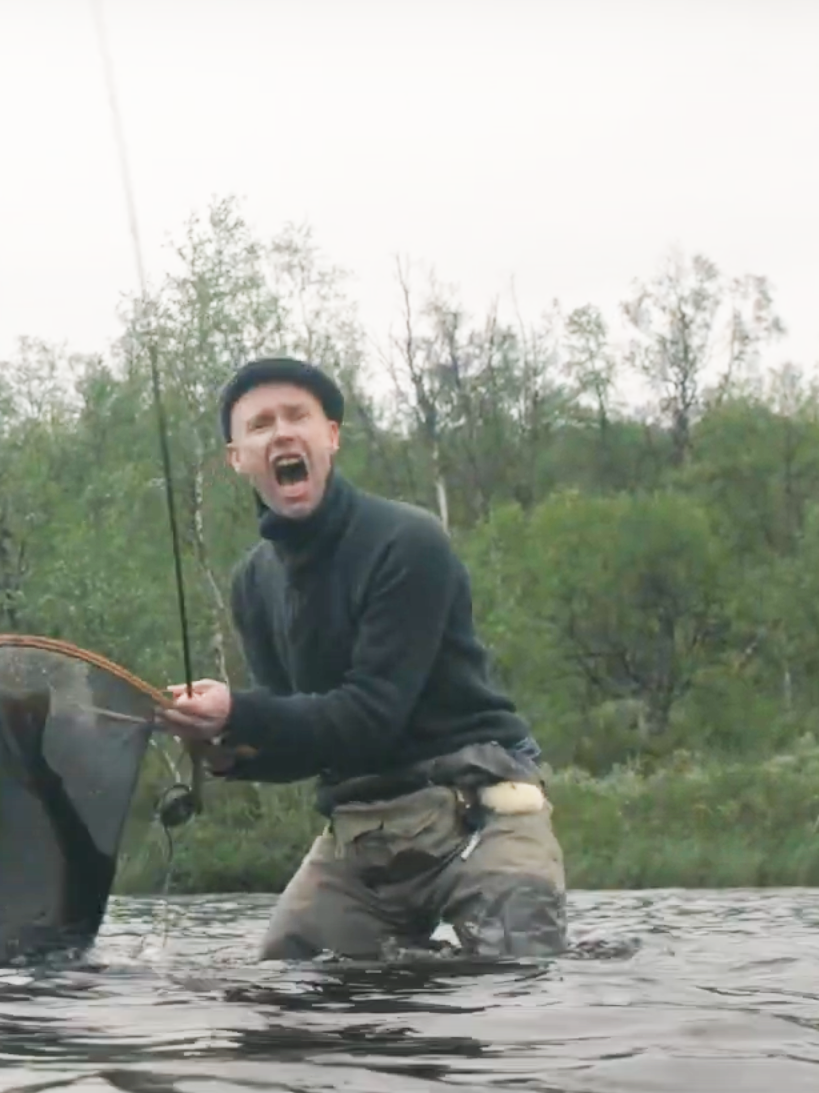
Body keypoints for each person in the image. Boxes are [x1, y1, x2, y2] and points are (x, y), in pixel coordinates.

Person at [158, 356, 568, 961]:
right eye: (261, 425)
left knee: (519, 985)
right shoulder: (252, 582)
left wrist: (238, 712)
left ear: (331, 436)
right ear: (237, 457)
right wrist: (227, 752)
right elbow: (304, 737)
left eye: (298, 417)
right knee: (282, 987)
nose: (282, 433)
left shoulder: (409, 541)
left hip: (483, 810)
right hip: (363, 833)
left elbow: (371, 715)